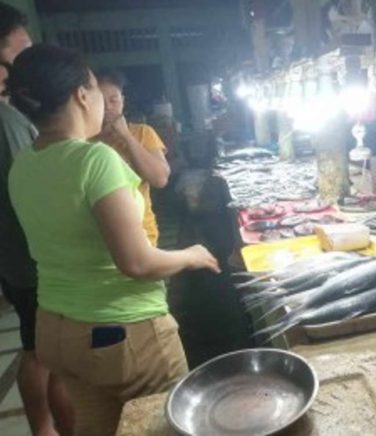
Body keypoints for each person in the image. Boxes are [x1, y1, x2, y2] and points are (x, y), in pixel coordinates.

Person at [7, 44, 221, 436]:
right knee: (166, 426)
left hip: (56, 331)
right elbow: (136, 262)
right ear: (80, 95)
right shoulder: (93, 160)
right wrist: (191, 255)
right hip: (121, 333)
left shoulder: (25, 163)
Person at [0, 5, 73, 436]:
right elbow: (23, 198)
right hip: (30, 262)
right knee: (47, 355)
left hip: (16, 261)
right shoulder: (7, 120)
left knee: (39, 349)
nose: (29, 58)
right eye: (22, 48)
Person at [95, 69, 170, 246]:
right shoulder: (84, 140)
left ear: (123, 100)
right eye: (100, 101)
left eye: (114, 100)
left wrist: (127, 137)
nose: (108, 107)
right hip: (101, 237)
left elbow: (159, 179)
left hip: (143, 232)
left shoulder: (142, 132)